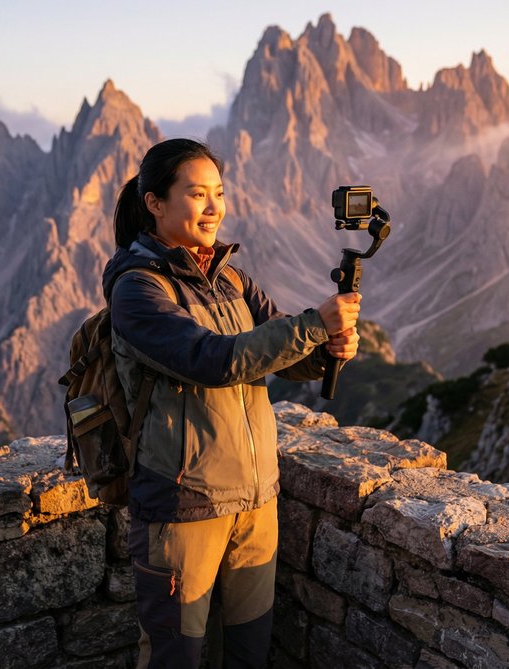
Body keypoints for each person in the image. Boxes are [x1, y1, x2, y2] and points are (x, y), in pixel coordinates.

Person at [105, 138, 361, 668]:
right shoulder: (138, 289)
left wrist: (329, 349)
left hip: (255, 501)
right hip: (182, 509)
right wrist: (313, 324)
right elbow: (212, 359)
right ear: (155, 203)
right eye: (197, 194)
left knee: (249, 651)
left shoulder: (231, 279)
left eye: (219, 193)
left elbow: (283, 357)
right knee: (174, 656)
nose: (214, 207)